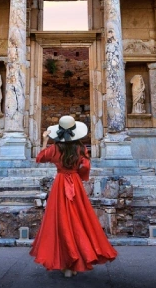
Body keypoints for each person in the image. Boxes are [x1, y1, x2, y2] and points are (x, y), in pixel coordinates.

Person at [30, 115, 117, 277]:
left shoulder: (55, 149)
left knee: (61, 222)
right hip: (75, 184)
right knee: (79, 221)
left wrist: (44, 140)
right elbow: (85, 167)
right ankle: (76, 262)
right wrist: (79, 170)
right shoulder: (80, 148)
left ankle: (66, 265)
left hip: (60, 184)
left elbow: (40, 158)